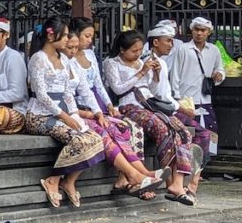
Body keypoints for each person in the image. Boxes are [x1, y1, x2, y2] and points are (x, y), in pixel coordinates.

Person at [62, 31, 161, 204]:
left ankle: (138, 173)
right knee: (104, 133)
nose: (74, 51)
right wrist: (87, 113)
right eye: (70, 47)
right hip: (70, 113)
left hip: (90, 109)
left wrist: (101, 111)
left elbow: (88, 88)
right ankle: (135, 174)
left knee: (122, 126)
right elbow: (61, 99)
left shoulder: (76, 61)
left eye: (76, 47)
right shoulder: (49, 62)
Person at [105, 27, 197, 206]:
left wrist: (155, 74)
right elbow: (118, 88)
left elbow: (153, 89)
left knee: (181, 130)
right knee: (161, 127)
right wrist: (141, 72)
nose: (138, 54)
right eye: (133, 51)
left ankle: (177, 182)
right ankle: (168, 182)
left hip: (149, 103)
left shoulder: (142, 62)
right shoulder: (112, 63)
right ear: (122, 49)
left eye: (140, 50)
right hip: (129, 105)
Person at [24, 17, 106, 209]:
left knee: (94, 138)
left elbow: (68, 91)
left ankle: (68, 180)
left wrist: (75, 115)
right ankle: (54, 179)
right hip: (40, 115)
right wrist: (65, 116)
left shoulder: (63, 59)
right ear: (52, 35)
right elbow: (42, 95)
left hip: (62, 112)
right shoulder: (38, 59)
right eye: (66, 35)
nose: (68, 39)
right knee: (77, 139)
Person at [169, 16, 222, 198]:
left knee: (208, 136)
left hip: (205, 99)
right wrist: (176, 97)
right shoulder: (183, 49)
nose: (199, 33)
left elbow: (220, 69)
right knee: (189, 136)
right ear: (192, 31)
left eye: (203, 30)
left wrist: (218, 76)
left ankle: (199, 172)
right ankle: (188, 176)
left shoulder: (213, 50)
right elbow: (175, 73)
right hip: (186, 100)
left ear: (209, 32)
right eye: (196, 29)